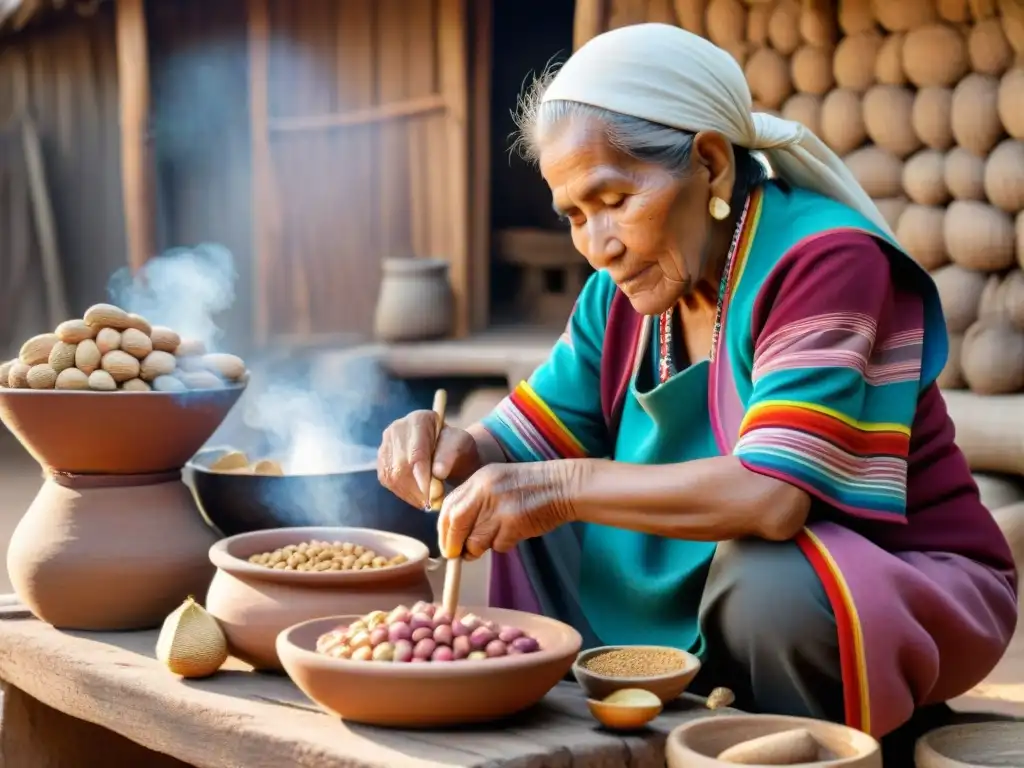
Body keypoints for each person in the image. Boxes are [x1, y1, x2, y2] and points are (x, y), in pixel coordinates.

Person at [377, 23, 1018, 739]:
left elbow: (774, 500)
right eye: (576, 217)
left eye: (615, 201)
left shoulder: (826, 261)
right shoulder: (619, 296)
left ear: (710, 165)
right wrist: (454, 450)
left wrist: (555, 489)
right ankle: (602, 735)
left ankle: (813, 743)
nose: (599, 248)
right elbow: (517, 448)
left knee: (766, 583)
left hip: (899, 576)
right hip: (713, 562)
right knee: (512, 509)